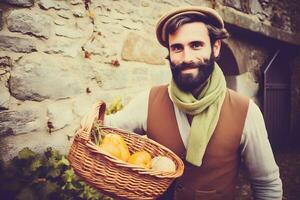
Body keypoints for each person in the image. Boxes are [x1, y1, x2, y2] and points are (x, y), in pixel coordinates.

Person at [104, 6, 282, 200]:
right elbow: (107, 130)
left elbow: (266, 185)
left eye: (196, 45)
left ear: (215, 47)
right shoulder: (149, 100)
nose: (186, 58)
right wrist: (92, 121)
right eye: (177, 48)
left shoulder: (246, 112)